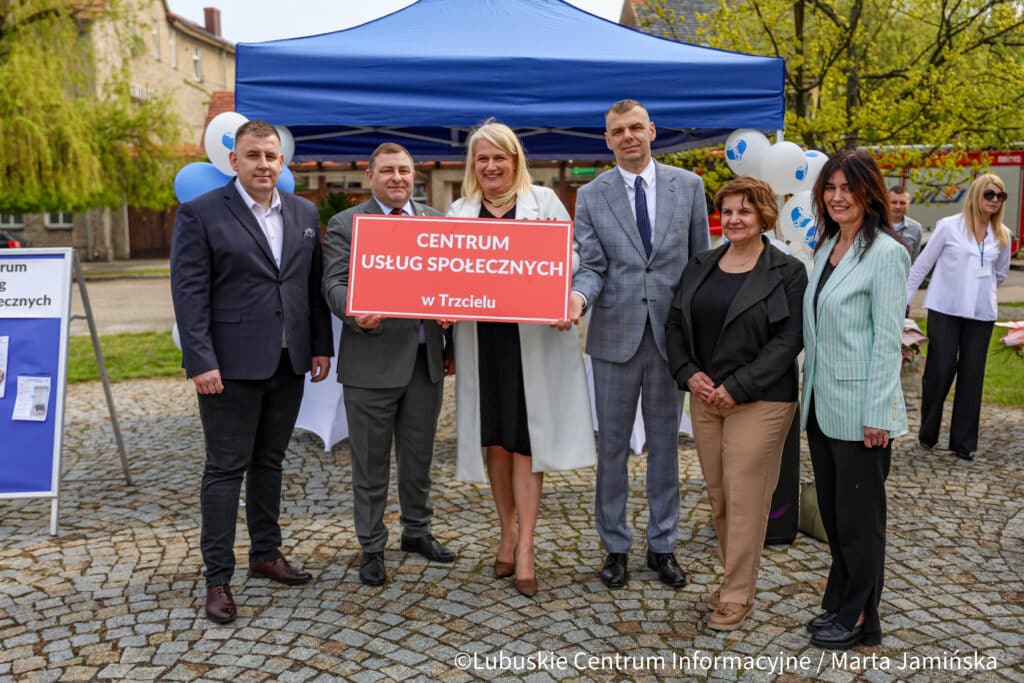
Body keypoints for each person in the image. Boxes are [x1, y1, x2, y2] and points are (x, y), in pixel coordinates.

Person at [170, 120, 334, 624]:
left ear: (282, 163)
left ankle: (266, 552)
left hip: (288, 362)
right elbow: (189, 292)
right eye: (253, 156)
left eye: (271, 156)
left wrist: (321, 347)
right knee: (224, 469)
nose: (263, 164)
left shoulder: (304, 212)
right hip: (229, 366)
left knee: (270, 462)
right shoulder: (200, 214)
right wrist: (201, 360)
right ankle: (218, 576)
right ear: (234, 161)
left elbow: (310, 288)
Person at [447, 121, 596, 598]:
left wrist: (563, 294)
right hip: (483, 339)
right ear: (473, 165)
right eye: (482, 158)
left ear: (515, 161)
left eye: (500, 158)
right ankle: (505, 533)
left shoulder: (545, 203)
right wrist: (441, 307)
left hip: (530, 338)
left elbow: (569, 259)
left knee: (526, 440)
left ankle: (527, 545)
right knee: (493, 440)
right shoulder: (458, 212)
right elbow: (444, 273)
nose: (491, 166)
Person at [571, 99, 710, 590]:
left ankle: (663, 545)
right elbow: (591, 265)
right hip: (613, 338)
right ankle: (614, 547)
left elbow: (700, 266)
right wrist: (577, 299)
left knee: (666, 448)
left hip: (670, 340)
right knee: (611, 449)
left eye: (635, 127)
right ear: (606, 140)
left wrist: (701, 336)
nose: (628, 136)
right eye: (617, 131)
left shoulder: (689, 187)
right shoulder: (590, 195)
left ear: (652, 130)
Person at [665, 176, 806, 631]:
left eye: (744, 211)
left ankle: (738, 593)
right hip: (705, 399)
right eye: (727, 211)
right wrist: (688, 372)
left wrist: (739, 386)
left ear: (764, 215)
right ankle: (732, 578)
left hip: (761, 400)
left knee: (746, 496)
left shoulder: (786, 272)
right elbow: (673, 323)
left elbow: (789, 341)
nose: (734, 219)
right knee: (720, 496)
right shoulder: (701, 264)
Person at [321, 142, 455, 586]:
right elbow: (334, 284)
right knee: (370, 462)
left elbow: (452, 281)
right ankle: (371, 545)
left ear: (414, 175)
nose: (397, 178)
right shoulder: (347, 224)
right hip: (371, 361)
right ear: (370, 176)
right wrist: (354, 311)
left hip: (424, 361)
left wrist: (451, 315)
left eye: (404, 170)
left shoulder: (438, 222)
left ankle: (417, 532)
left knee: (419, 460)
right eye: (388, 171)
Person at [801, 150, 910, 650]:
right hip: (822, 407)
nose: (838, 197)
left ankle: (861, 618)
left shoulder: (887, 254)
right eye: (830, 188)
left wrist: (878, 415)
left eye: (848, 188)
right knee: (836, 515)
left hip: (862, 411)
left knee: (861, 522)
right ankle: (841, 603)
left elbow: (888, 342)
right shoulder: (827, 248)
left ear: (869, 193)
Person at [906, 174, 1012, 460]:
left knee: (972, 375)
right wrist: (903, 302)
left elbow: (1000, 274)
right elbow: (921, 266)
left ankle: (963, 442)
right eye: (990, 194)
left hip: (981, 315)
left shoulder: (1002, 234)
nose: (994, 200)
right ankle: (928, 432)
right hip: (945, 309)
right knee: (940, 370)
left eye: (1000, 196)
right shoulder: (948, 227)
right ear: (977, 195)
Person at [888, 185, 923, 262]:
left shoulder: (916, 228)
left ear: (908, 204)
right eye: (893, 202)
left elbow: (913, 259)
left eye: (902, 203)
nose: (898, 206)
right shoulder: (876, 225)